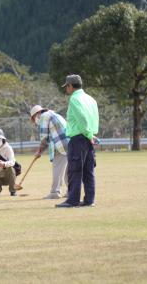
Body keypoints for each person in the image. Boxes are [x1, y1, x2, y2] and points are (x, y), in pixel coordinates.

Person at [56, 74, 99, 208]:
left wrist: (87, 133)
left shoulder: (74, 99)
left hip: (78, 138)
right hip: (89, 138)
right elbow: (94, 119)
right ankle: (89, 200)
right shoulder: (91, 99)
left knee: (75, 170)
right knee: (88, 171)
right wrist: (91, 134)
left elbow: (82, 119)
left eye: (66, 86)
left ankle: (72, 200)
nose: (66, 89)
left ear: (70, 86)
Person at [29, 105, 69, 199]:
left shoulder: (44, 116)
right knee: (68, 171)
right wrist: (40, 151)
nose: (35, 121)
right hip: (70, 143)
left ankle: (55, 192)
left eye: (34, 118)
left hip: (61, 145)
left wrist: (39, 151)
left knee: (57, 169)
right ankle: (71, 191)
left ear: (37, 114)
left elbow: (44, 138)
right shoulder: (54, 114)